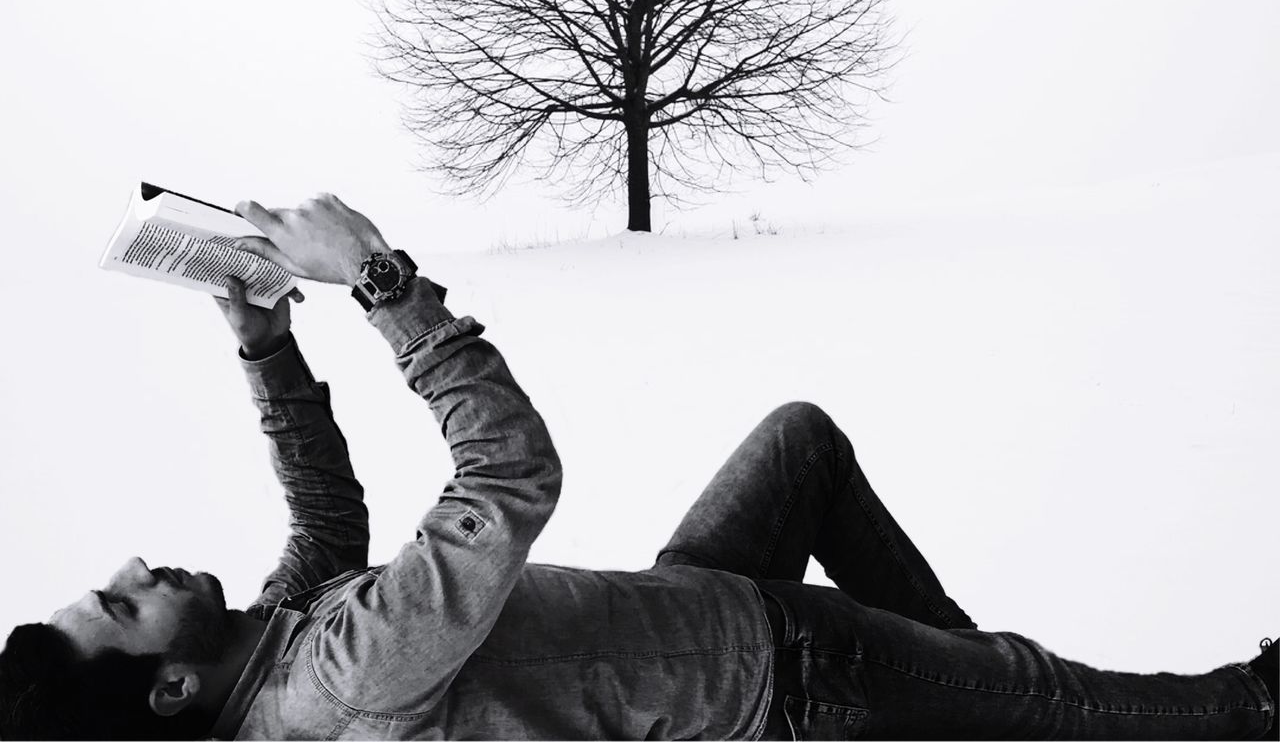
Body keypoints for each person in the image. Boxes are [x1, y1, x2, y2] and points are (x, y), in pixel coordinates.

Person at [0, 192, 1274, 740]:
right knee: (1050, 702)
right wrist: (382, 280)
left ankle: (963, 690)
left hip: (688, 618)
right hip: (772, 677)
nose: (130, 568)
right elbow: (507, 475)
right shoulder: (338, 680)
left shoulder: (270, 642)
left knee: (798, 443)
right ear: (166, 687)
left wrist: (266, 340)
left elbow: (325, 511)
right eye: (119, 602)